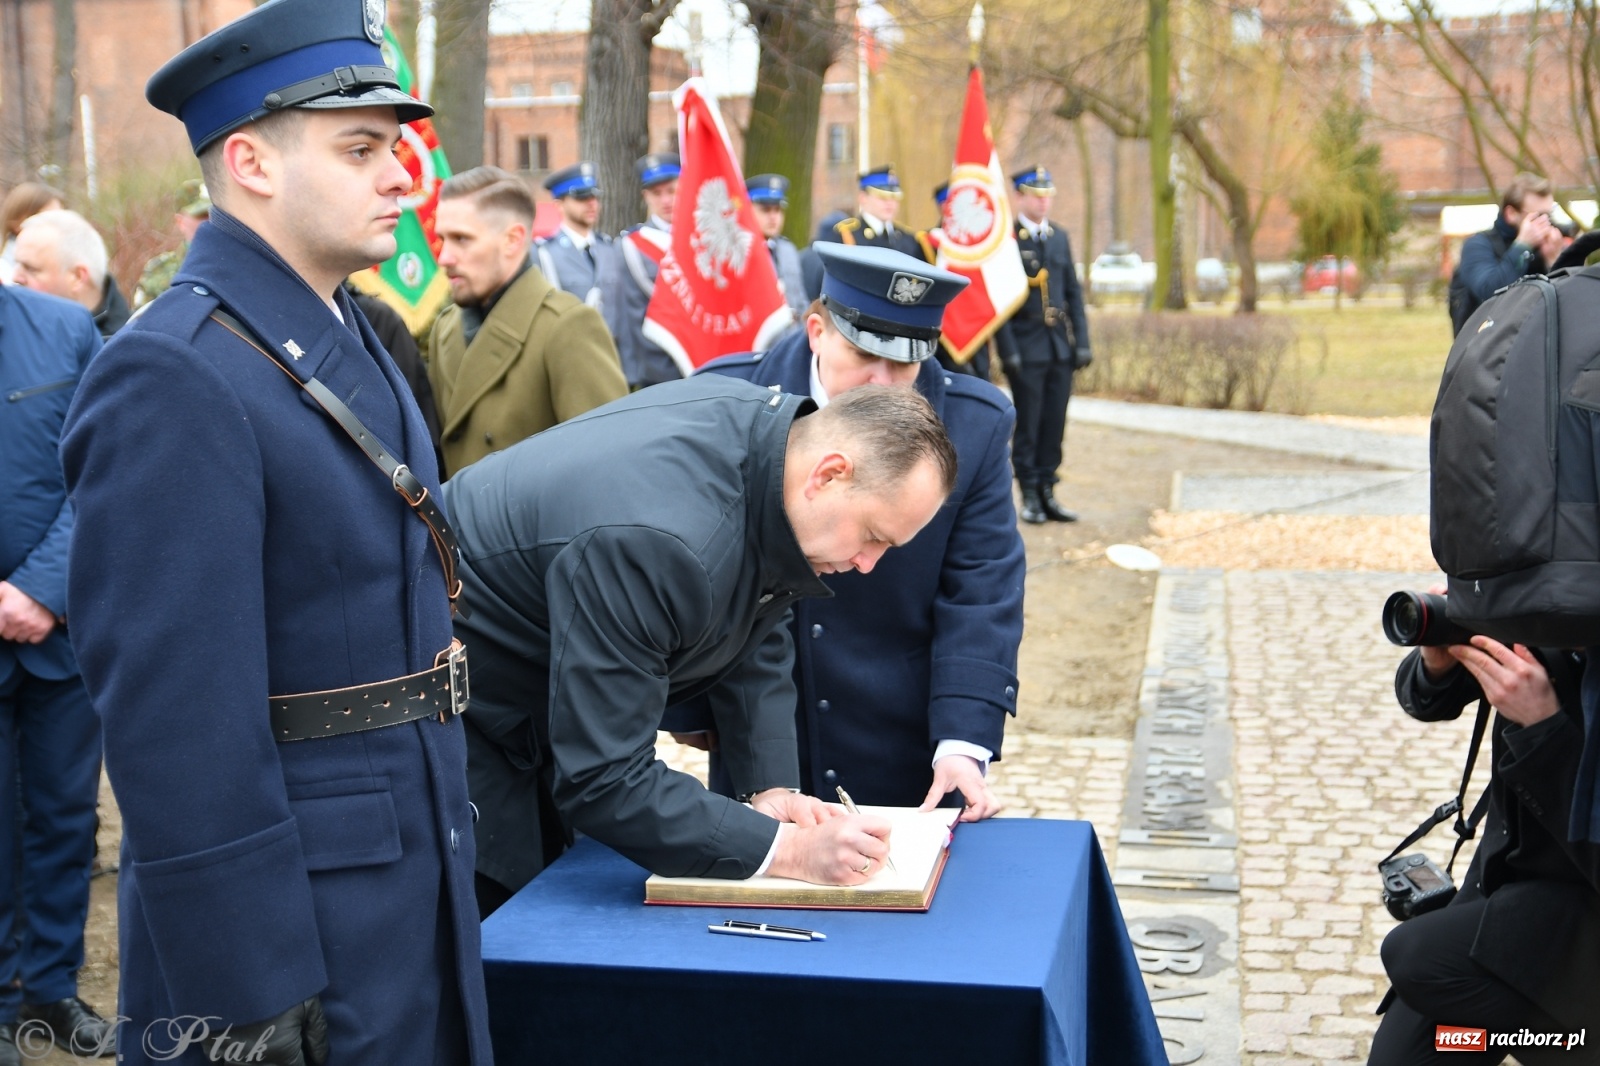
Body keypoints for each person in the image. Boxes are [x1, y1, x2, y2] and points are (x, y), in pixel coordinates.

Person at [58, 1, 490, 1062]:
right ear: (248, 161)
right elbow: (174, 720)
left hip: (400, 856)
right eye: (361, 150)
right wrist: (244, 981)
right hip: (290, 915)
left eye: (395, 149)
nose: (403, 177)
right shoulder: (177, 370)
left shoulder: (345, 330)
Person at [444, 376, 958, 917]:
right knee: (504, 934)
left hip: (532, 693)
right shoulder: (662, 541)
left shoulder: (772, 444)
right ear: (829, 474)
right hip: (463, 715)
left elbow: (755, 605)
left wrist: (770, 786)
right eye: (874, 535)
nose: (868, 564)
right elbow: (604, 777)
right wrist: (791, 849)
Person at [675, 242, 1023, 815]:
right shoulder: (732, 399)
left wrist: (963, 740)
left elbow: (982, 589)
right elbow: (691, 559)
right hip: (758, 726)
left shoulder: (974, 425)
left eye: (906, 363)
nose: (883, 382)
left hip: (903, 729)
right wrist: (691, 709)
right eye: (865, 354)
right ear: (817, 331)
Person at [1372, 609, 1600, 1064]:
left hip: (1585, 903)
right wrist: (1436, 662)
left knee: (1419, 959)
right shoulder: (1553, 604)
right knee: (1408, 1054)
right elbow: (1428, 699)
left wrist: (1543, 728)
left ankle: (1577, 1044)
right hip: (1510, 884)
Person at [0, 278, 111, 1063]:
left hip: (58, 638)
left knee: (66, 821)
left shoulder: (67, 330)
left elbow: (105, 466)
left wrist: (41, 588)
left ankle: (47, 991)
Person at [428, 166, 626, 476]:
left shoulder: (567, 327)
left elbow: (607, 469)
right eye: (442, 239)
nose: (445, 257)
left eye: (461, 239)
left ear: (512, 240)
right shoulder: (445, 329)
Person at [996, 165, 1090, 525]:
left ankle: (1049, 489)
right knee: (1030, 422)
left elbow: (1073, 294)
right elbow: (1001, 302)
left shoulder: (1059, 237)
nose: (1043, 200)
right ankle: (1030, 493)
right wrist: (1009, 351)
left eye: (1047, 194)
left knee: (1055, 421)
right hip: (1026, 343)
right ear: (1019, 196)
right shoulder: (1008, 239)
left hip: (1058, 346)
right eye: (1036, 194)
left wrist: (1081, 341)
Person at [601, 152, 682, 388]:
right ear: (645, 196)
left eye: (671, 191)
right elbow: (625, 316)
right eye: (657, 194)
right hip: (656, 368)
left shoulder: (701, 239)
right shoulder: (632, 246)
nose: (665, 200)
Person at [1448, 172, 1555, 335]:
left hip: (1534, 347)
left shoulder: (1544, 247)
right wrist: (1522, 246)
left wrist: (1554, 260)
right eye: (1538, 216)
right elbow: (1490, 291)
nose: (1545, 223)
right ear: (1511, 213)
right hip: (1485, 351)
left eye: (1549, 215)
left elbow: (1565, 302)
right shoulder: (1478, 245)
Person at [10, 210, 130, 337]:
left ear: (77, 277)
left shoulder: (124, 350)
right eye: (17, 265)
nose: (16, 277)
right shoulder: (14, 326)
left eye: (30, 269)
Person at [534, 160, 613, 309]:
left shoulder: (608, 248)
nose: (591, 204)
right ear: (559, 205)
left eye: (594, 197)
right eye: (581, 198)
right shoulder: (545, 253)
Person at [815, 166, 929, 263]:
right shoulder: (845, 236)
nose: (889, 203)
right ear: (863, 198)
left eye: (894, 197)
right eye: (882, 197)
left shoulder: (908, 239)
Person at [133, 178, 210, 308]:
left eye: (214, 213)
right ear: (180, 222)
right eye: (201, 215)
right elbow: (139, 324)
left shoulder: (241, 263)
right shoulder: (159, 272)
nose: (209, 221)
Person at [746, 173, 808, 320]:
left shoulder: (788, 251)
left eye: (778, 210)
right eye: (765, 210)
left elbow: (800, 301)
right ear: (748, 210)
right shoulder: (740, 253)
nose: (773, 217)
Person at [0, 183, 64, 285]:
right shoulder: (6, 274)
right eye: (45, 218)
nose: (57, 226)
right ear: (17, 223)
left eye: (60, 218)